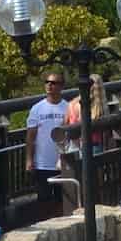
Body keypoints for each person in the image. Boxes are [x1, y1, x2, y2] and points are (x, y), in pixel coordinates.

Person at [24, 71, 76, 219]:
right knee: (43, 200)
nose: (49, 85)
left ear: (61, 86)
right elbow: (30, 136)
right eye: (47, 82)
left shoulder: (68, 107)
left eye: (53, 83)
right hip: (42, 163)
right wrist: (29, 159)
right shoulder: (37, 109)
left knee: (63, 200)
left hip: (62, 162)